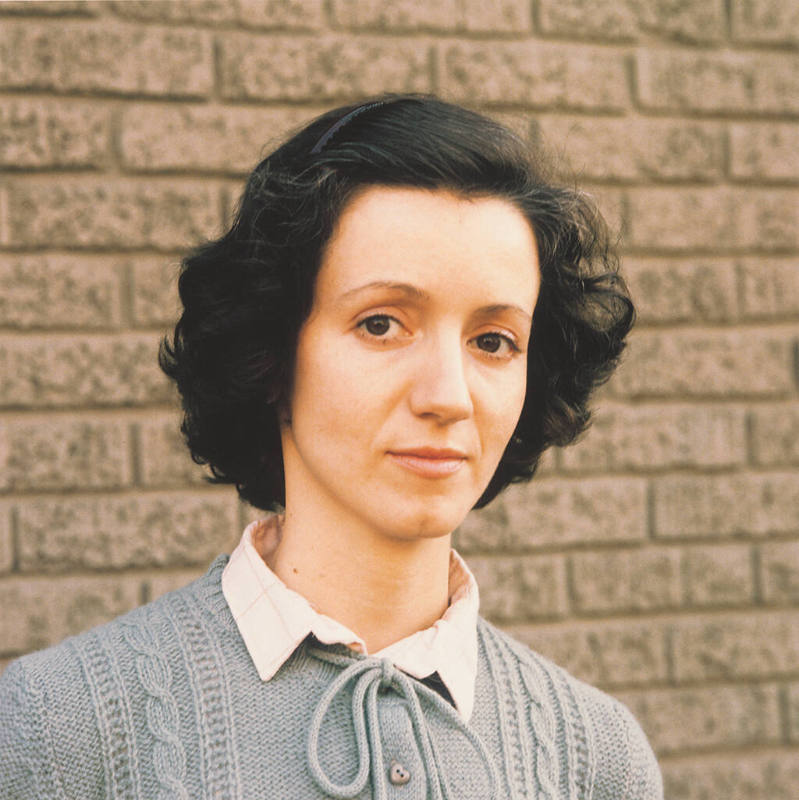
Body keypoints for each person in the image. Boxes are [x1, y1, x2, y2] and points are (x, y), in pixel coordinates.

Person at [0, 93, 662, 799]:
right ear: (272, 354)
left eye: (492, 341)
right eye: (381, 324)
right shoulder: (56, 727)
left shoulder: (598, 761)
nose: (448, 394)